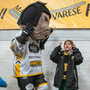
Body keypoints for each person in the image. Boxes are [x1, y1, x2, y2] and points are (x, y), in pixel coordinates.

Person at [10, 1, 53, 90]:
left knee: (44, 87)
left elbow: (40, 48)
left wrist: (46, 36)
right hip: (24, 72)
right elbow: (15, 49)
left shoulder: (37, 38)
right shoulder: (20, 34)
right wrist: (24, 34)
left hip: (37, 70)